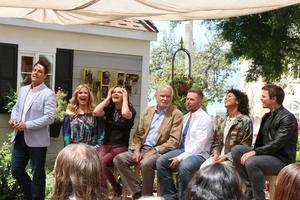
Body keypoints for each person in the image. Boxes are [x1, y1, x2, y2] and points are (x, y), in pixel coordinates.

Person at [114, 84, 183, 199]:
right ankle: (137, 192)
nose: (165, 99)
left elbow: (173, 141)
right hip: (141, 148)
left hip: (160, 151)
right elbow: (138, 134)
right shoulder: (148, 111)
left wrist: (155, 150)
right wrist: (136, 149)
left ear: (171, 98)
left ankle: (146, 196)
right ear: (156, 96)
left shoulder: (176, 114)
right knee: (119, 159)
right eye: (162, 96)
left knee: (146, 163)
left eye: (168, 96)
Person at [232, 84, 298, 200]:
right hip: (266, 155)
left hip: (282, 159)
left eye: (264, 96)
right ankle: (250, 188)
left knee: (252, 162)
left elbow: (277, 143)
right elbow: (260, 142)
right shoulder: (267, 116)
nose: (260, 98)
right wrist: (253, 151)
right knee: (237, 150)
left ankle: (259, 198)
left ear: (274, 99)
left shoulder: (287, 118)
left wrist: (255, 152)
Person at [9, 57, 56, 200]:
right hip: (19, 136)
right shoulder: (23, 90)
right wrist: (13, 118)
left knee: (37, 175)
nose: (35, 72)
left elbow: (49, 117)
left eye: (39, 71)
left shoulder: (48, 94)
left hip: (37, 141)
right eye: (34, 70)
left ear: (45, 76)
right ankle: (32, 196)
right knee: (16, 170)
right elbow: (17, 108)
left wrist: (27, 125)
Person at [156, 88, 214, 200]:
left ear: (200, 102)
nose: (188, 101)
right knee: (161, 162)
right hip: (184, 150)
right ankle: (171, 196)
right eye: (187, 99)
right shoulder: (186, 117)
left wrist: (179, 158)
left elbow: (199, 146)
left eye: (192, 99)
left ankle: (186, 197)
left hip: (200, 154)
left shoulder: (205, 119)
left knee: (184, 167)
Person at [93, 86, 136, 196]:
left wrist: (125, 97)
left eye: (119, 93)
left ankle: (116, 187)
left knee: (101, 163)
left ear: (124, 95)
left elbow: (126, 114)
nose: (116, 94)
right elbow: (96, 112)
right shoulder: (109, 110)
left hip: (119, 146)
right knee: (95, 163)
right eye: (114, 92)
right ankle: (102, 192)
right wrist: (107, 98)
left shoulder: (130, 110)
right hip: (106, 145)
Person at [200, 89, 253, 169]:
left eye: (229, 96)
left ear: (237, 101)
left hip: (233, 160)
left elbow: (245, 145)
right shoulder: (221, 121)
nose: (226, 98)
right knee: (203, 168)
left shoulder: (245, 121)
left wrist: (226, 157)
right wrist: (216, 154)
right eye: (225, 97)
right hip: (218, 158)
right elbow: (216, 143)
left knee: (217, 173)